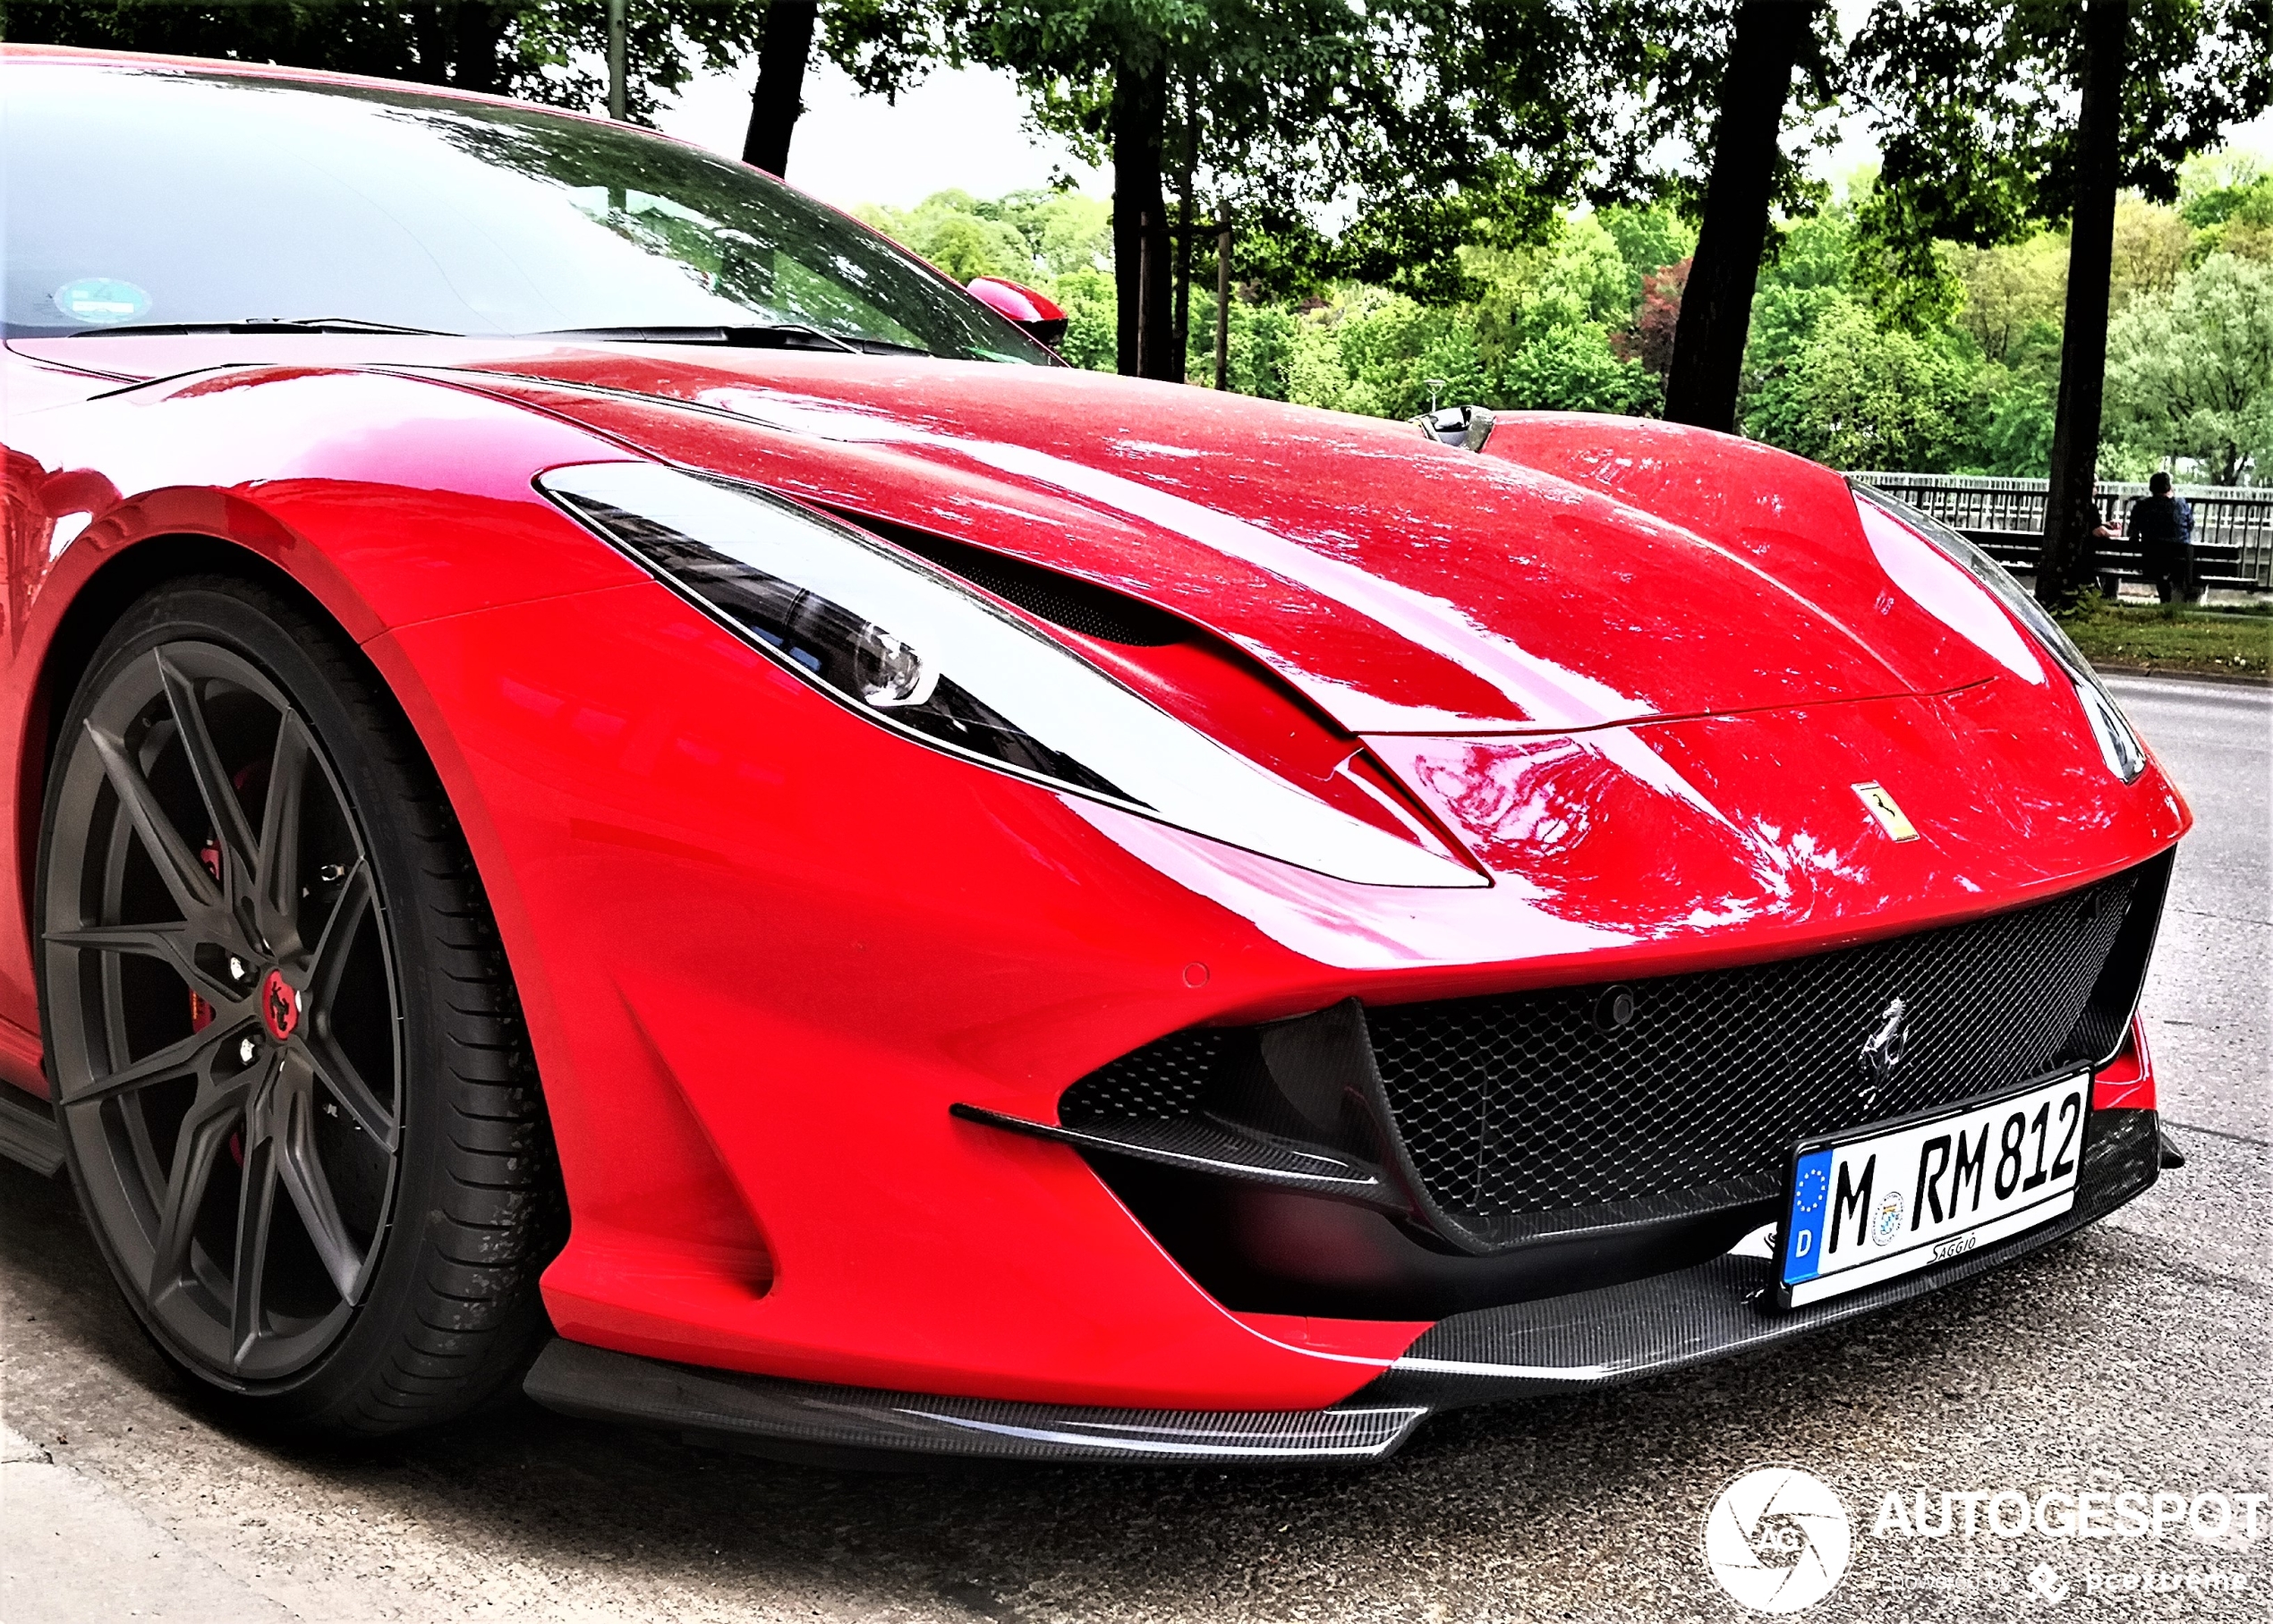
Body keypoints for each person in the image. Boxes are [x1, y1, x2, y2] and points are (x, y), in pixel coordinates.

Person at [2129, 472, 2198, 603]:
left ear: (2151, 488)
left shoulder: (2142, 506)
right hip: (2180, 562)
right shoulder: (2181, 504)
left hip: (2151, 561)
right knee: (2186, 551)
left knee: (2159, 568)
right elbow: (2189, 526)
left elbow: (2132, 534)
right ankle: (2178, 593)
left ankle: (2165, 595)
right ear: (2169, 487)